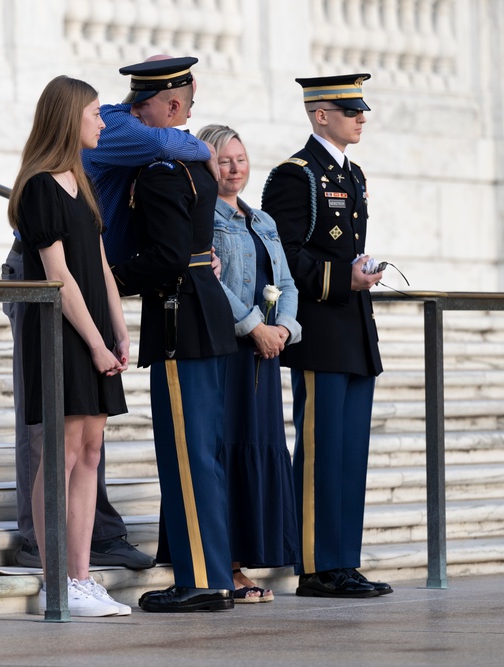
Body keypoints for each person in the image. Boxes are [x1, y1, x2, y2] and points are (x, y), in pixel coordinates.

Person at [109, 57, 238, 613]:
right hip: (202, 315)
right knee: (202, 454)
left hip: (179, 316)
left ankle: (201, 578)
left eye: (147, 106)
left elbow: (165, 258)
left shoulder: (162, 172)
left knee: (186, 457)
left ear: (175, 108)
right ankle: (211, 573)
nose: (137, 115)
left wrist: (109, 277)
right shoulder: (196, 168)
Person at [260, 73, 393, 597]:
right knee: (320, 450)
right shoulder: (295, 175)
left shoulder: (352, 173)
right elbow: (281, 254)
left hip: (354, 329)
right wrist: (343, 278)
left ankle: (344, 559)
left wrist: (359, 269)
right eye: (350, 109)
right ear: (320, 115)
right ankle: (317, 567)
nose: (361, 117)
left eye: (361, 109)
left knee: (350, 451)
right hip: (319, 327)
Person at [7, 75, 132, 616]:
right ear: (69, 117)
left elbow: (100, 265)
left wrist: (120, 329)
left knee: (90, 451)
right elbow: (58, 276)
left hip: (95, 331)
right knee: (60, 453)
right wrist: (96, 342)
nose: (103, 122)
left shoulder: (82, 180)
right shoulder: (38, 187)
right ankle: (54, 578)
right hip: (62, 333)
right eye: (96, 113)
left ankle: (81, 578)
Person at [196, 124, 302, 603]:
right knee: (225, 450)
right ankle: (226, 567)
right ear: (206, 164)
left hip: (265, 353)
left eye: (240, 159)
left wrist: (284, 329)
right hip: (230, 349)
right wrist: (254, 326)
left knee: (256, 447)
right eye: (223, 160)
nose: (234, 168)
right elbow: (210, 283)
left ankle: (239, 563)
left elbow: (289, 282)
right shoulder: (203, 218)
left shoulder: (263, 221)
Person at [83, 54, 219, 266]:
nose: (134, 112)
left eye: (143, 105)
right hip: (48, 268)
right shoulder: (112, 122)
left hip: (94, 270)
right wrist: (205, 148)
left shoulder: (154, 137)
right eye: (134, 102)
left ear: (174, 107)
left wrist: (200, 257)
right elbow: (160, 144)